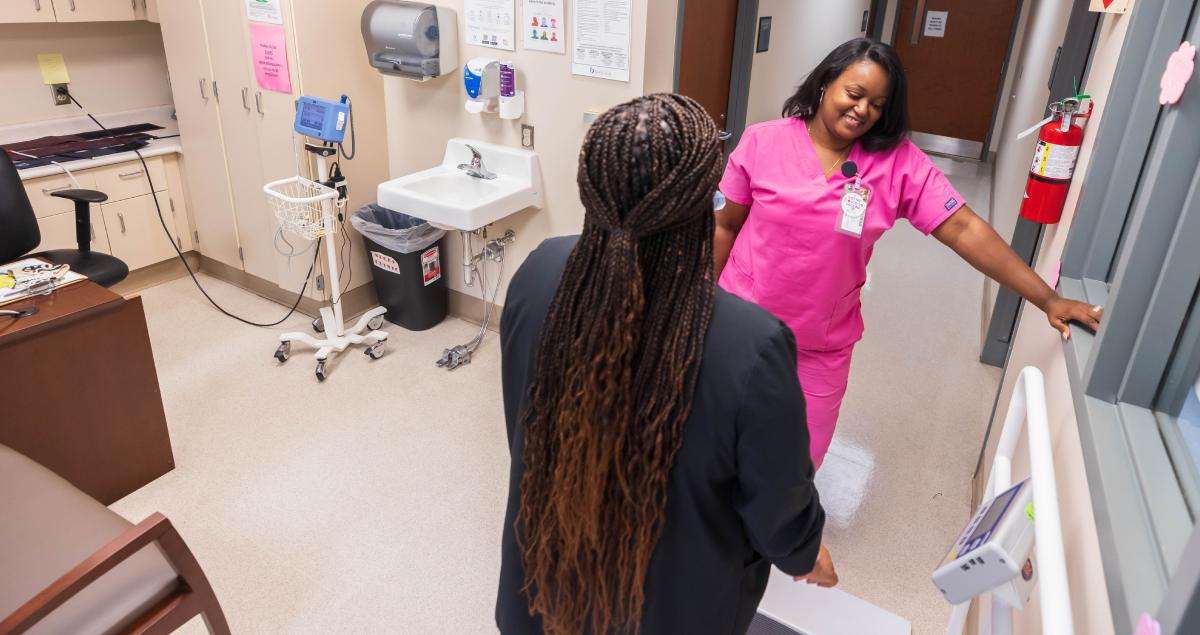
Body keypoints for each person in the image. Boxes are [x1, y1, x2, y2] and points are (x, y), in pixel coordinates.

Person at [496, 93, 833, 635]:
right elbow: (777, 508)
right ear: (707, 205)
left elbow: (524, 423)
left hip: (547, 582)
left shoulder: (538, 276)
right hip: (668, 606)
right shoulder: (753, 346)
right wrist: (805, 554)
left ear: (591, 190)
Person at [714, 38, 1103, 470]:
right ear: (825, 83)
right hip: (740, 325)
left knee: (797, 462)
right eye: (854, 94)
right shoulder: (762, 142)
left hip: (819, 343)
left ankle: (770, 535)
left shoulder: (898, 164)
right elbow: (725, 225)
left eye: (877, 104)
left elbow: (963, 227)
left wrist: (1047, 299)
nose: (863, 110)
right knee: (720, 439)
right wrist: (696, 305)